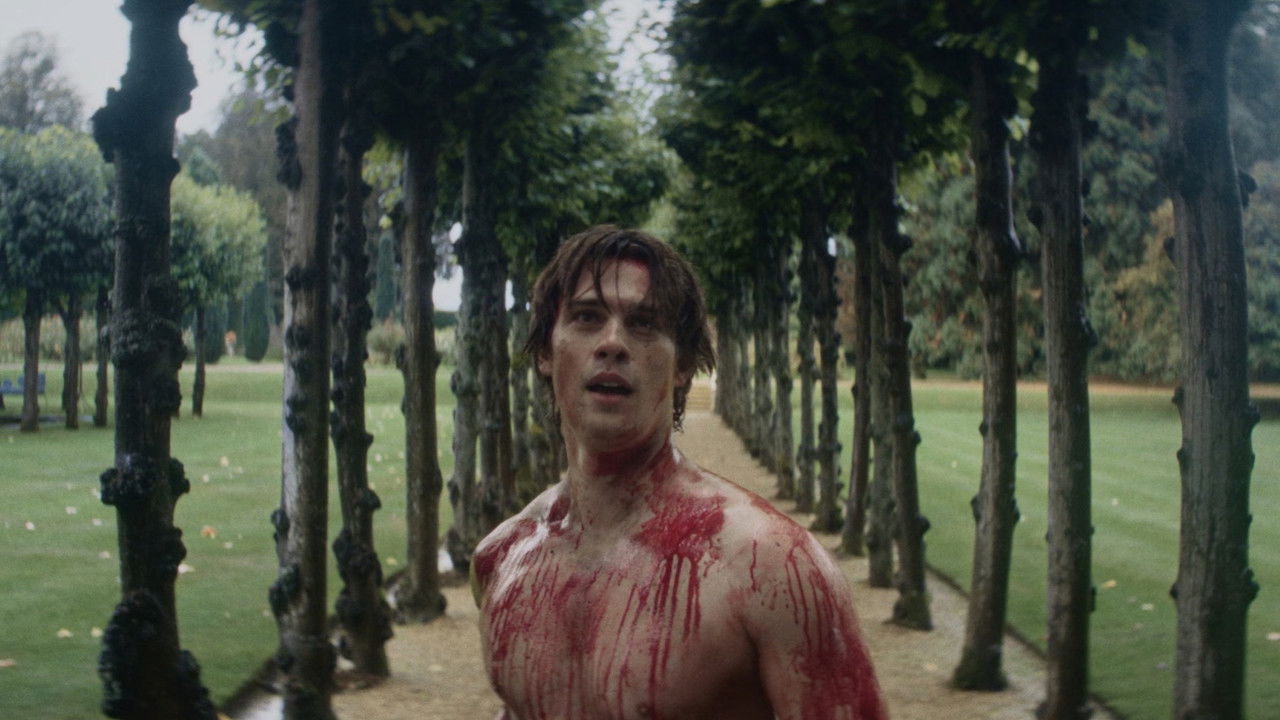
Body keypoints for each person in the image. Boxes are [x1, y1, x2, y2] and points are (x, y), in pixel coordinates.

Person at [472, 225, 887, 719]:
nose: (612, 343)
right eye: (586, 317)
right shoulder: (502, 559)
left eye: (644, 323)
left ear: (683, 364)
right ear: (545, 350)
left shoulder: (771, 569)